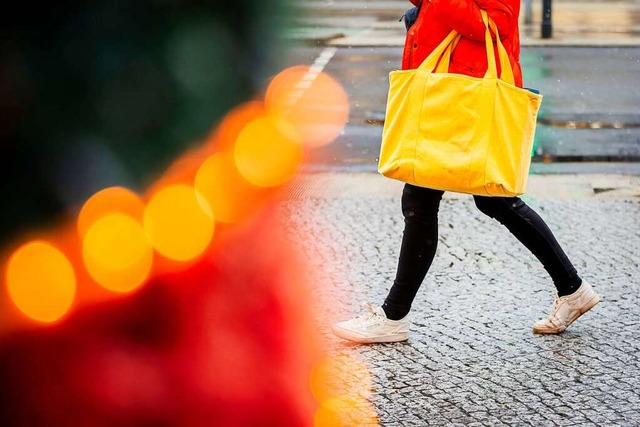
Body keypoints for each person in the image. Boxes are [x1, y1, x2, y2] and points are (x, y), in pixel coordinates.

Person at [332, 0, 600, 344]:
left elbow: (496, 23)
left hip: (464, 93)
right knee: (483, 201)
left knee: (425, 196)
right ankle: (572, 288)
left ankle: (393, 316)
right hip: (448, 86)